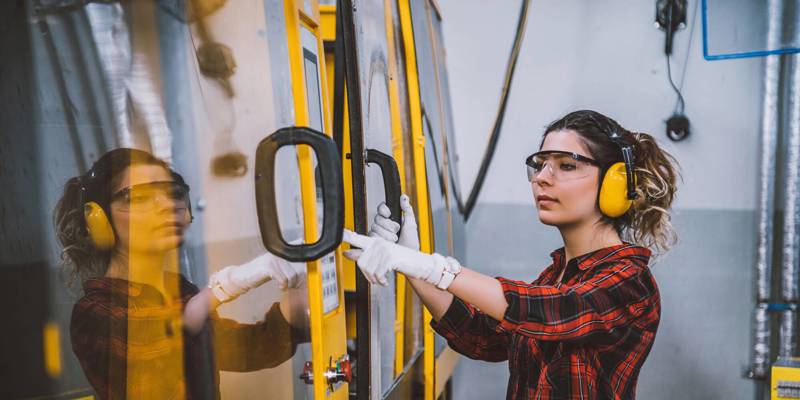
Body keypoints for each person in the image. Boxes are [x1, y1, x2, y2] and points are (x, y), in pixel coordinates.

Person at [343, 110, 679, 399]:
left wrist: (431, 266)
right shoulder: (555, 277)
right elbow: (484, 339)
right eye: (540, 165)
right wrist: (412, 263)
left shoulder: (629, 281)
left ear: (616, 184)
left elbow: (548, 312)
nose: (542, 180)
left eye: (565, 165)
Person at [54, 148, 306, 399]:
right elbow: (159, 360)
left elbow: (247, 349)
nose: (167, 205)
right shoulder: (95, 311)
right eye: (138, 197)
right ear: (99, 221)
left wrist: (305, 284)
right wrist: (227, 285)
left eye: (172, 193)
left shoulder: (181, 290)